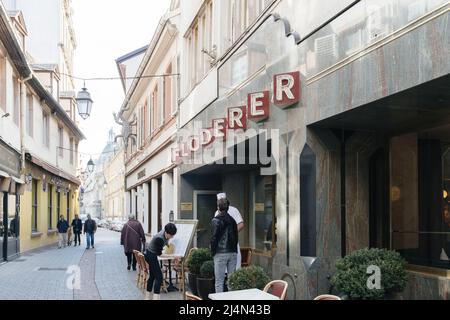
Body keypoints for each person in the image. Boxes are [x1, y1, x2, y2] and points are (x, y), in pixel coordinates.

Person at [211, 198, 238, 294]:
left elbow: (214, 238)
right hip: (232, 252)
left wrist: (213, 252)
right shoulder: (233, 221)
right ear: (228, 208)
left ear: (218, 207)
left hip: (220, 252)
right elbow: (236, 237)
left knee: (219, 282)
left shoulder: (216, 220)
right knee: (231, 281)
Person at [144, 223, 177, 301]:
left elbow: (166, 242)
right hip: (151, 255)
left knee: (152, 276)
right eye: (171, 235)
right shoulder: (160, 239)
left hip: (150, 253)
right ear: (167, 233)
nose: (172, 237)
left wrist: (169, 246)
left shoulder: (164, 232)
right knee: (159, 277)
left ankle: (147, 297)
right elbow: (160, 254)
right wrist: (173, 256)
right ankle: (155, 298)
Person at [216, 193, 244, 269]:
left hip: (232, 243)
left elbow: (241, 224)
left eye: (223, 201)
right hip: (221, 246)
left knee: (233, 270)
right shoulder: (216, 212)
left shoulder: (234, 210)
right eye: (219, 202)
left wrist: (231, 233)